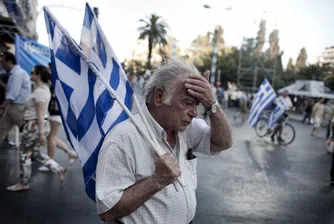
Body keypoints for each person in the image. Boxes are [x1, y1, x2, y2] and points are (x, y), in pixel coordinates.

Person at [95, 58, 232, 223]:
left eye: (198, 105)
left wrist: (212, 104)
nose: (195, 113)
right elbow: (107, 211)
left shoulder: (188, 128)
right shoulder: (122, 139)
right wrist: (156, 181)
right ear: (159, 97)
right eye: (187, 103)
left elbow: (223, 142)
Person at [6, 65, 66, 191]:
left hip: (33, 125)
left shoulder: (40, 92)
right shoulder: (43, 89)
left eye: (32, 72)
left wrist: (41, 134)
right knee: (36, 153)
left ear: (38, 75)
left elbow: (40, 112)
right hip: (37, 124)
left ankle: (24, 182)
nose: (30, 74)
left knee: (25, 154)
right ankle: (58, 168)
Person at [38, 64, 78, 172]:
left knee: (51, 137)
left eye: (49, 68)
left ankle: (51, 162)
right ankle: (70, 153)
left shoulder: (57, 80)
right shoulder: (58, 79)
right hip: (55, 112)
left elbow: (56, 96)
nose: (48, 70)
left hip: (56, 112)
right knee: (51, 137)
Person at [0, 52, 31, 144]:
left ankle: (30, 153)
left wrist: (2, 107)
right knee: (1, 129)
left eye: (2, 62)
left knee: (28, 133)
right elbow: (10, 90)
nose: (1, 64)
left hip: (18, 108)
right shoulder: (14, 74)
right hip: (13, 108)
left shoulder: (17, 74)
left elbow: (12, 95)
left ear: (9, 61)